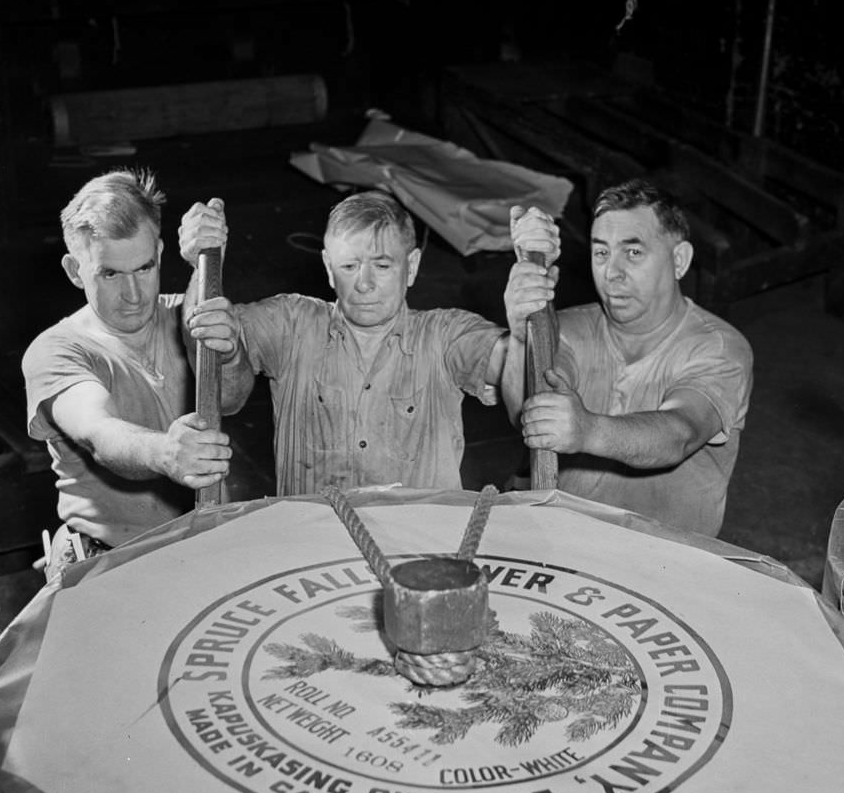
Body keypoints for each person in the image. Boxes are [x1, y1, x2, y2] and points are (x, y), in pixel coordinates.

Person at [178, 190, 509, 496]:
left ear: (412, 267)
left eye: (381, 265)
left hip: (418, 551)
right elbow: (220, 394)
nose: (364, 284)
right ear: (328, 268)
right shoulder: (291, 324)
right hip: (314, 548)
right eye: (350, 266)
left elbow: (517, 374)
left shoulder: (446, 336)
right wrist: (202, 271)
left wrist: (526, 318)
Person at [501, 179, 753, 537]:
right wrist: (521, 332)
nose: (612, 273)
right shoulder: (568, 329)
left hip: (666, 562)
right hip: (565, 543)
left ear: (679, 260)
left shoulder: (718, 347)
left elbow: (679, 432)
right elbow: (525, 412)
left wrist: (587, 430)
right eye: (601, 253)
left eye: (633, 252)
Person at [23, 168, 233, 580]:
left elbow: (233, 394)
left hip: (203, 553)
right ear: (73, 269)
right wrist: (165, 453)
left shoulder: (187, 316)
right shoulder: (58, 350)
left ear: (159, 251)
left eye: (144, 268)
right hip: (107, 566)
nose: (134, 295)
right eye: (110, 274)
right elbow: (99, 432)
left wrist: (204, 265)